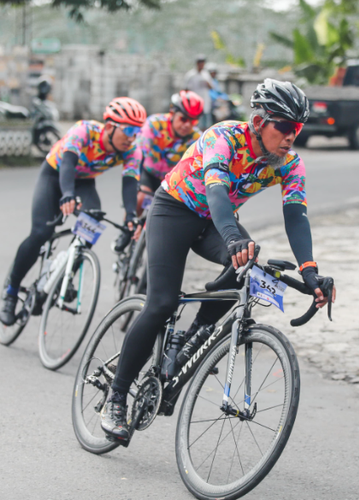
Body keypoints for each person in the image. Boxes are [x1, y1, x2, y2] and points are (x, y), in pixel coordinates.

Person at [100, 79, 337, 442]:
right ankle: (117, 396)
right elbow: (217, 193)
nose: (292, 136)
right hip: (174, 211)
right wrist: (232, 238)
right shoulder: (223, 138)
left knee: (249, 262)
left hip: (214, 220)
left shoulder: (289, 164)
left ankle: (193, 338)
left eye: (298, 129)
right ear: (259, 122)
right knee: (161, 302)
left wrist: (310, 272)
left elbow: (296, 217)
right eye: (285, 127)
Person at [0, 97, 146, 326]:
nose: (131, 137)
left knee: (92, 224)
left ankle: (65, 276)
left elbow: (130, 184)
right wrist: (66, 194)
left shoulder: (132, 150)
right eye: (127, 129)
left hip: (83, 182)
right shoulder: (84, 131)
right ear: (109, 127)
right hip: (55, 175)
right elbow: (67, 164)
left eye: (136, 131)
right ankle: (11, 291)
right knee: (40, 233)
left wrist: (130, 216)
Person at [133, 90, 204, 218]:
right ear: (172, 113)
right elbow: (137, 153)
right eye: (183, 119)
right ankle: (128, 230)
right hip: (149, 173)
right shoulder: (154, 124)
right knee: (142, 198)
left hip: (171, 181)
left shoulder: (197, 138)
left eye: (193, 122)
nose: (187, 125)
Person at [183, 55, 213, 130]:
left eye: (203, 63)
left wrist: (206, 82)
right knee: (196, 124)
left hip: (205, 102)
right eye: (200, 63)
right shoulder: (190, 75)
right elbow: (186, 89)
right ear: (197, 63)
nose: (201, 65)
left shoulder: (206, 74)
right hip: (194, 104)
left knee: (206, 125)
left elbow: (211, 87)